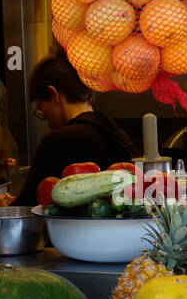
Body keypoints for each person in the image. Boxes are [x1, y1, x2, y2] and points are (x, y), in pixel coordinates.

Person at [15, 49, 136, 205]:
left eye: (41, 108)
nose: (46, 119)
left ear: (53, 94)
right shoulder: (115, 131)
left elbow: (27, 205)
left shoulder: (57, 141)